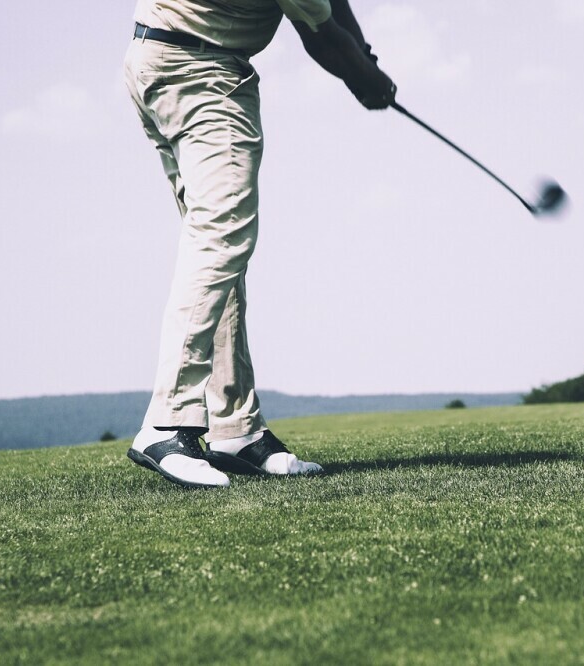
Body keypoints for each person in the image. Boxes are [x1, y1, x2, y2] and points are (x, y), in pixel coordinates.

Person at [123, 0, 396, 488]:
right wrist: (367, 78)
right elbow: (322, 33)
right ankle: (167, 421)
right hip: (203, 71)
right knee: (221, 234)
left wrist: (366, 59)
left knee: (218, 249)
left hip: (156, 59)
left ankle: (236, 430)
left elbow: (332, 8)